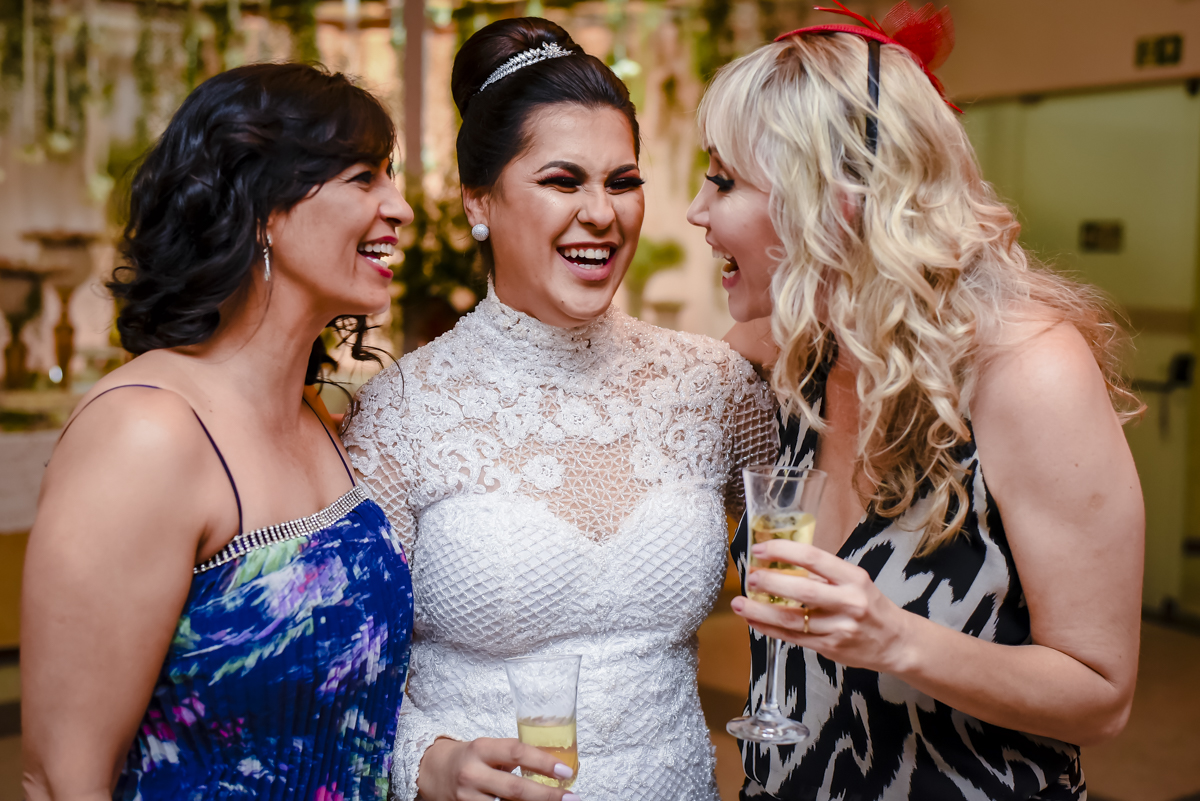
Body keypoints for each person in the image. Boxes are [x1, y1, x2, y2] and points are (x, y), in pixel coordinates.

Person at [686, 4, 1145, 799]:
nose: (697, 211)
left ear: (831, 202)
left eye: (723, 182)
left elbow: (1101, 694)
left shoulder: (1025, 370)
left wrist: (892, 637)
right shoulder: (784, 353)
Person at [342, 17, 779, 801]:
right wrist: (429, 764)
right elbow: (348, 671)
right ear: (479, 201)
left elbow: (814, 581)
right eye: (562, 181)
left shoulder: (715, 386)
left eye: (622, 181)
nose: (602, 214)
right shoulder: (402, 409)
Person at [21, 63, 416, 801]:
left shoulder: (317, 417)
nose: (401, 207)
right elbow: (61, 776)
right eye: (365, 177)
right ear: (262, 204)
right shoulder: (146, 434)